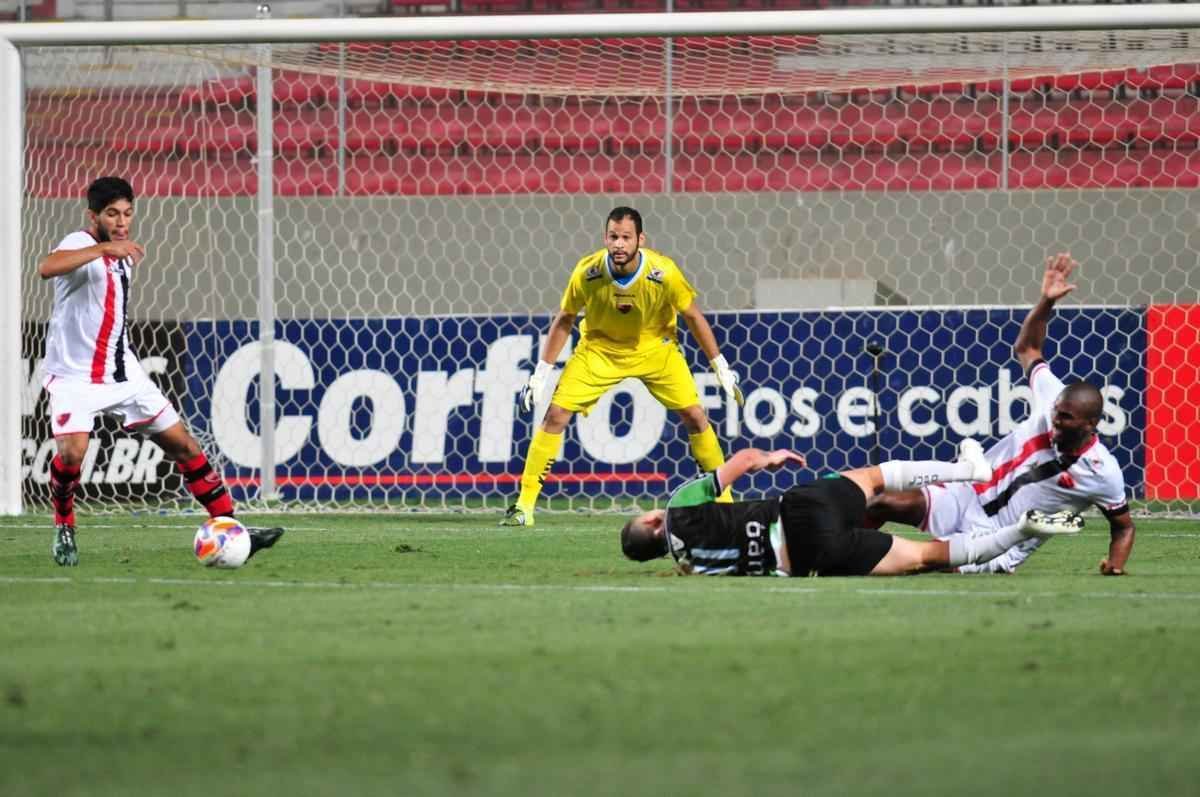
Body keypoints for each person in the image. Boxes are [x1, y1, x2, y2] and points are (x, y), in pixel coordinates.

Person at [38, 176, 284, 566]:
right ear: (93, 216)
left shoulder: (122, 253)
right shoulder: (82, 243)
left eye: (127, 214)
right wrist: (103, 247)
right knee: (72, 454)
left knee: (184, 445)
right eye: (112, 214)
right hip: (75, 377)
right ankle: (64, 524)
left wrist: (113, 250)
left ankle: (232, 528)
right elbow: (47, 267)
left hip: (124, 373)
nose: (121, 222)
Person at [864, 252, 1136, 575]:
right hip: (967, 495)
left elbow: (1123, 527)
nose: (1055, 421)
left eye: (1066, 418)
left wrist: (1115, 565)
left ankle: (871, 561)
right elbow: (1027, 348)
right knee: (882, 502)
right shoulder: (1052, 396)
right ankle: (837, 550)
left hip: (998, 541)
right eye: (1056, 413)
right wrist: (1046, 302)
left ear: (1090, 425)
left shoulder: (1102, 472)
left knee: (917, 562)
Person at [502, 206, 745, 527]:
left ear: (640, 240)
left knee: (696, 416)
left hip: (656, 350)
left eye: (626, 238)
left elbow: (693, 316)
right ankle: (524, 506)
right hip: (599, 351)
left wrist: (720, 366)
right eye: (613, 237)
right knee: (555, 415)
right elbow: (565, 318)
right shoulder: (587, 273)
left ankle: (723, 501)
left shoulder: (663, 272)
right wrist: (541, 374)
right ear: (605, 238)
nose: (618, 244)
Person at [621, 443, 1083, 577]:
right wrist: (769, 458)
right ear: (650, 521)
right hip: (795, 510)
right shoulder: (677, 506)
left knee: (924, 557)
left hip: (809, 559)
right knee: (873, 479)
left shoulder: (691, 569)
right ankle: (966, 470)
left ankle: (1019, 532)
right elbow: (739, 462)